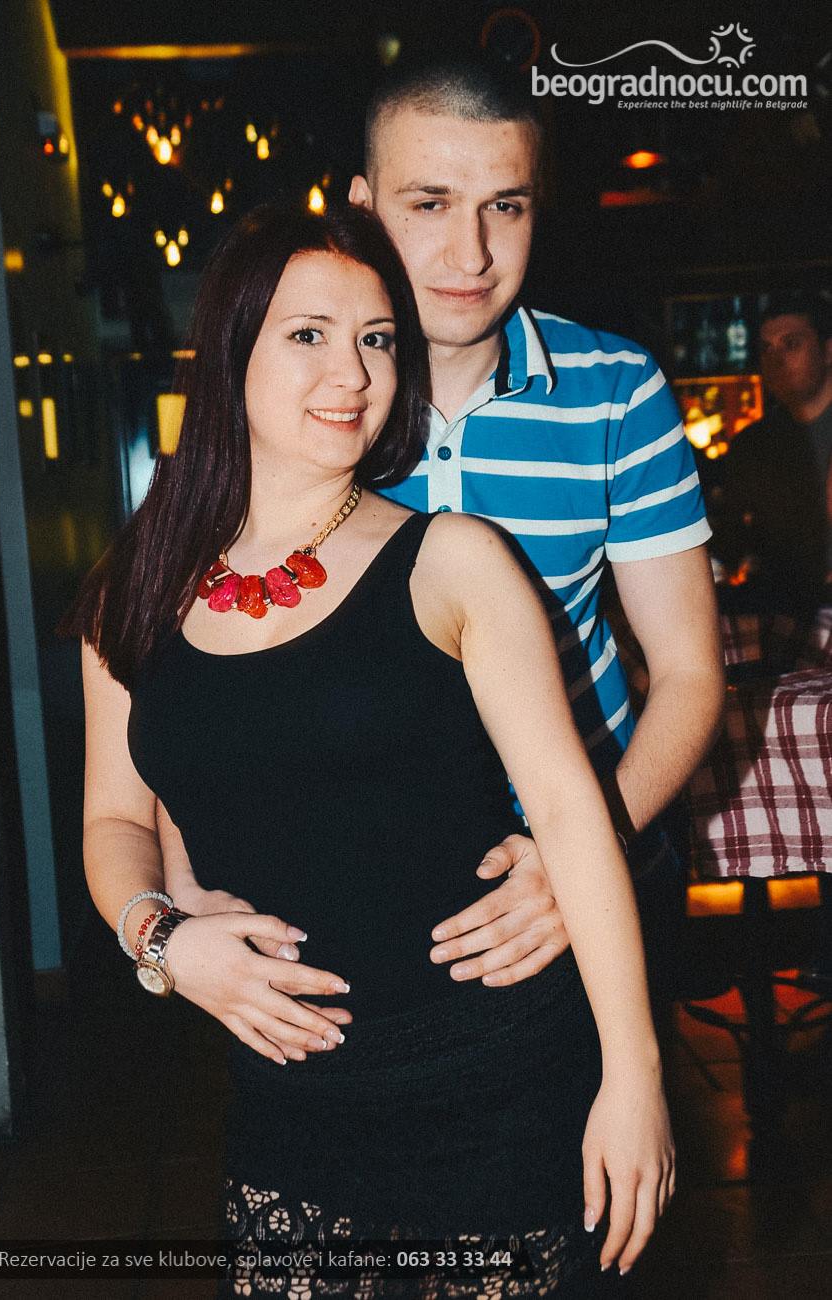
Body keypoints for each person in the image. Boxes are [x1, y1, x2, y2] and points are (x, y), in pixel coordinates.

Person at [64, 202, 673, 1296]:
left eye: (378, 339)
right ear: (231, 353)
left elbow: (571, 815)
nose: (352, 372)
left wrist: (634, 1077)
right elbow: (114, 819)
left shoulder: (454, 560)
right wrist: (161, 941)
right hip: (290, 1106)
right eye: (308, 334)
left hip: (499, 1086)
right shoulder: (136, 586)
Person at [163, 58, 725, 1032]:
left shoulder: (615, 387)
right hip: (365, 878)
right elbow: (199, 674)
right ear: (360, 207)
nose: (471, 252)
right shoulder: (314, 402)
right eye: (429, 204)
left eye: (505, 206)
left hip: (587, 869)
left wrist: (575, 854)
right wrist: (176, 901)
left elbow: (688, 672)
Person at [713, 291, 832, 617]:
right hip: (782, 616)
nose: (776, 359)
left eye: (791, 344)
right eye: (766, 348)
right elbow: (730, 543)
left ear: (827, 350)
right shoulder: (752, 446)